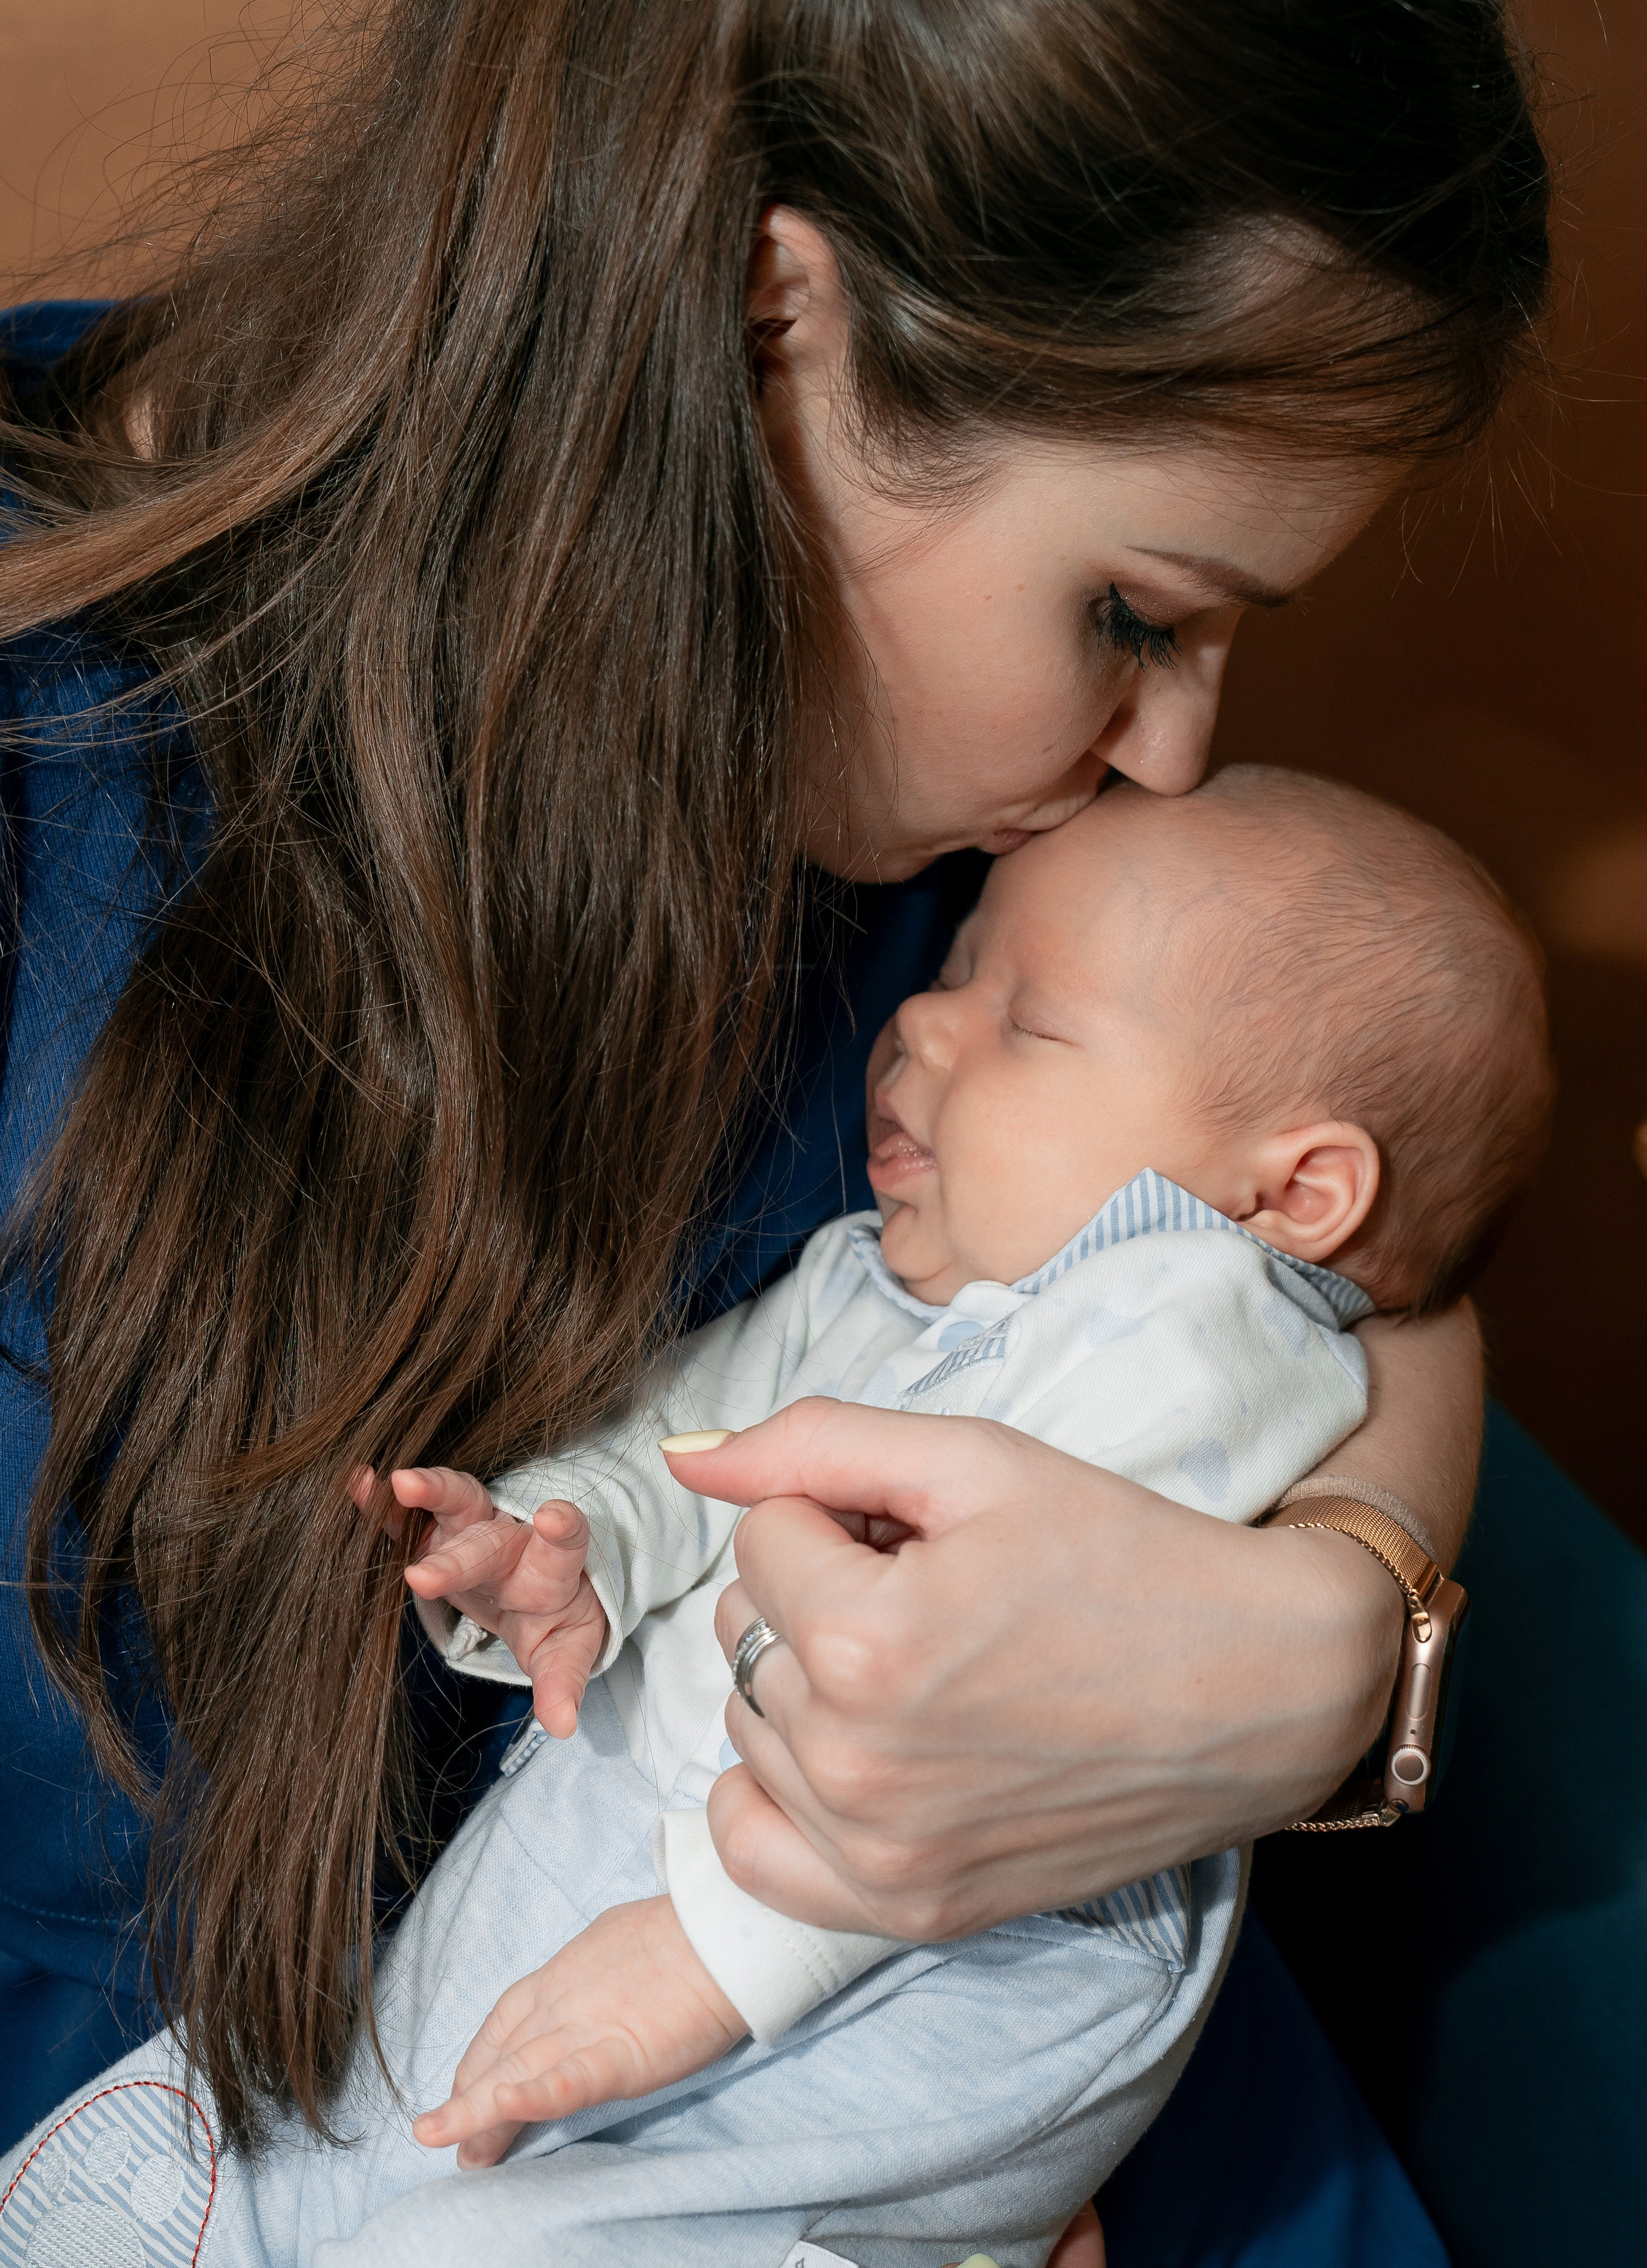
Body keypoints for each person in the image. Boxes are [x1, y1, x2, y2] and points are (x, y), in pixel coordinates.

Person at [0, 0, 1547, 2255]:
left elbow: (1337, 1226)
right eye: (1134, 608)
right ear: (759, 326)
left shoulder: (941, 846)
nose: (1177, 757)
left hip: (897, 2071)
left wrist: (1320, 1649)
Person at [0, 767, 1554, 2267]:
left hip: (943, 1944)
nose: (921, 1027)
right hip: (657, 1844)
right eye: (948, 974)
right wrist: (569, 1541)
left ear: (1291, 1195)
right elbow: (693, 1435)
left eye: (1026, 1020)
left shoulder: (1198, 1321)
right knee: (334, 2132)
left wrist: (712, 1955)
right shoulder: (867, 1275)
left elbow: (988, 1727)